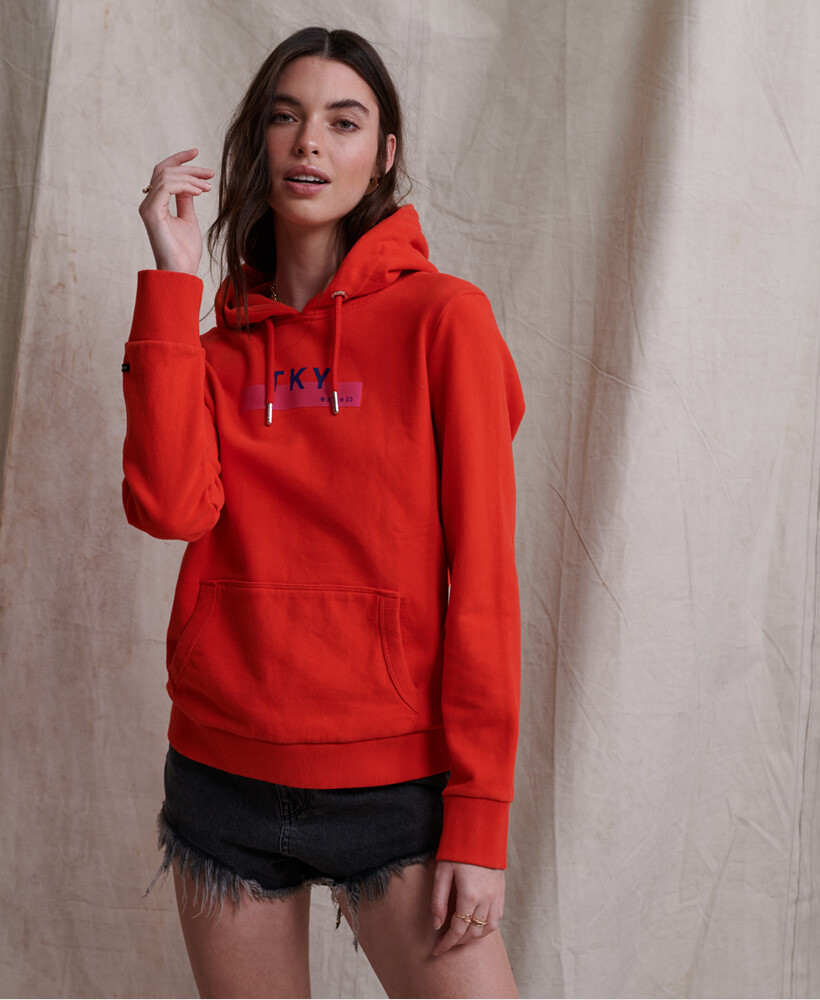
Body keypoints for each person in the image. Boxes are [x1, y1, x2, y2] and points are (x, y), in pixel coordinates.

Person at [124, 25, 524, 999]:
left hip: (392, 784)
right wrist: (172, 280)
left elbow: (484, 581)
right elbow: (168, 508)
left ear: (383, 155)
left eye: (344, 122)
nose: (310, 141)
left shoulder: (445, 321)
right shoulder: (215, 350)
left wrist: (478, 819)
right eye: (286, 116)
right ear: (259, 142)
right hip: (221, 772)